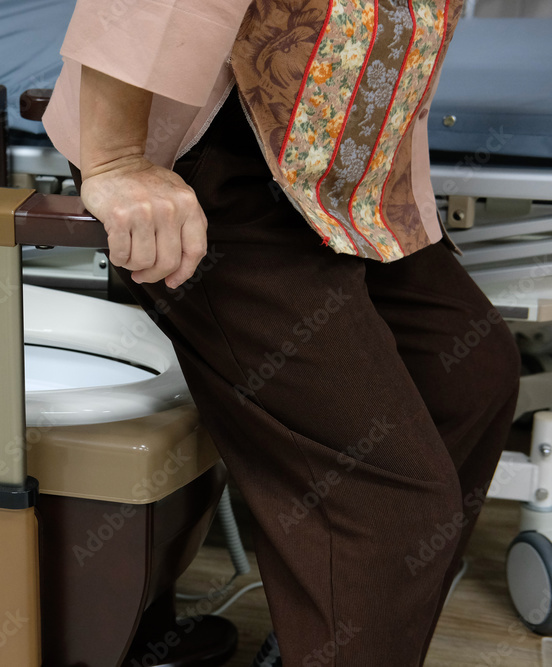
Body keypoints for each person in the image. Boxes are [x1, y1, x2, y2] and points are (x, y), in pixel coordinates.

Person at [42, 1, 522, 665]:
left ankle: (325, 627)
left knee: (468, 375)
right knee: (390, 499)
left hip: (339, 161)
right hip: (210, 160)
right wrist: (118, 159)